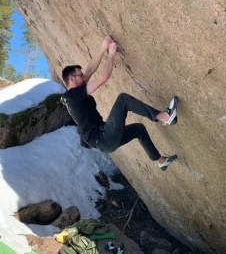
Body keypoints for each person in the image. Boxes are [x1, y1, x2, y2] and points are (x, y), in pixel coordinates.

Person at [61, 36, 179, 171]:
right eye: (80, 75)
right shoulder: (73, 96)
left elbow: (89, 71)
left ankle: (161, 161)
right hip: (103, 137)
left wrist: (102, 49)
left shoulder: (72, 95)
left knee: (138, 129)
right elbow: (103, 77)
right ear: (72, 78)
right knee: (123, 100)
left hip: (104, 141)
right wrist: (111, 55)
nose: (84, 77)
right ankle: (165, 117)